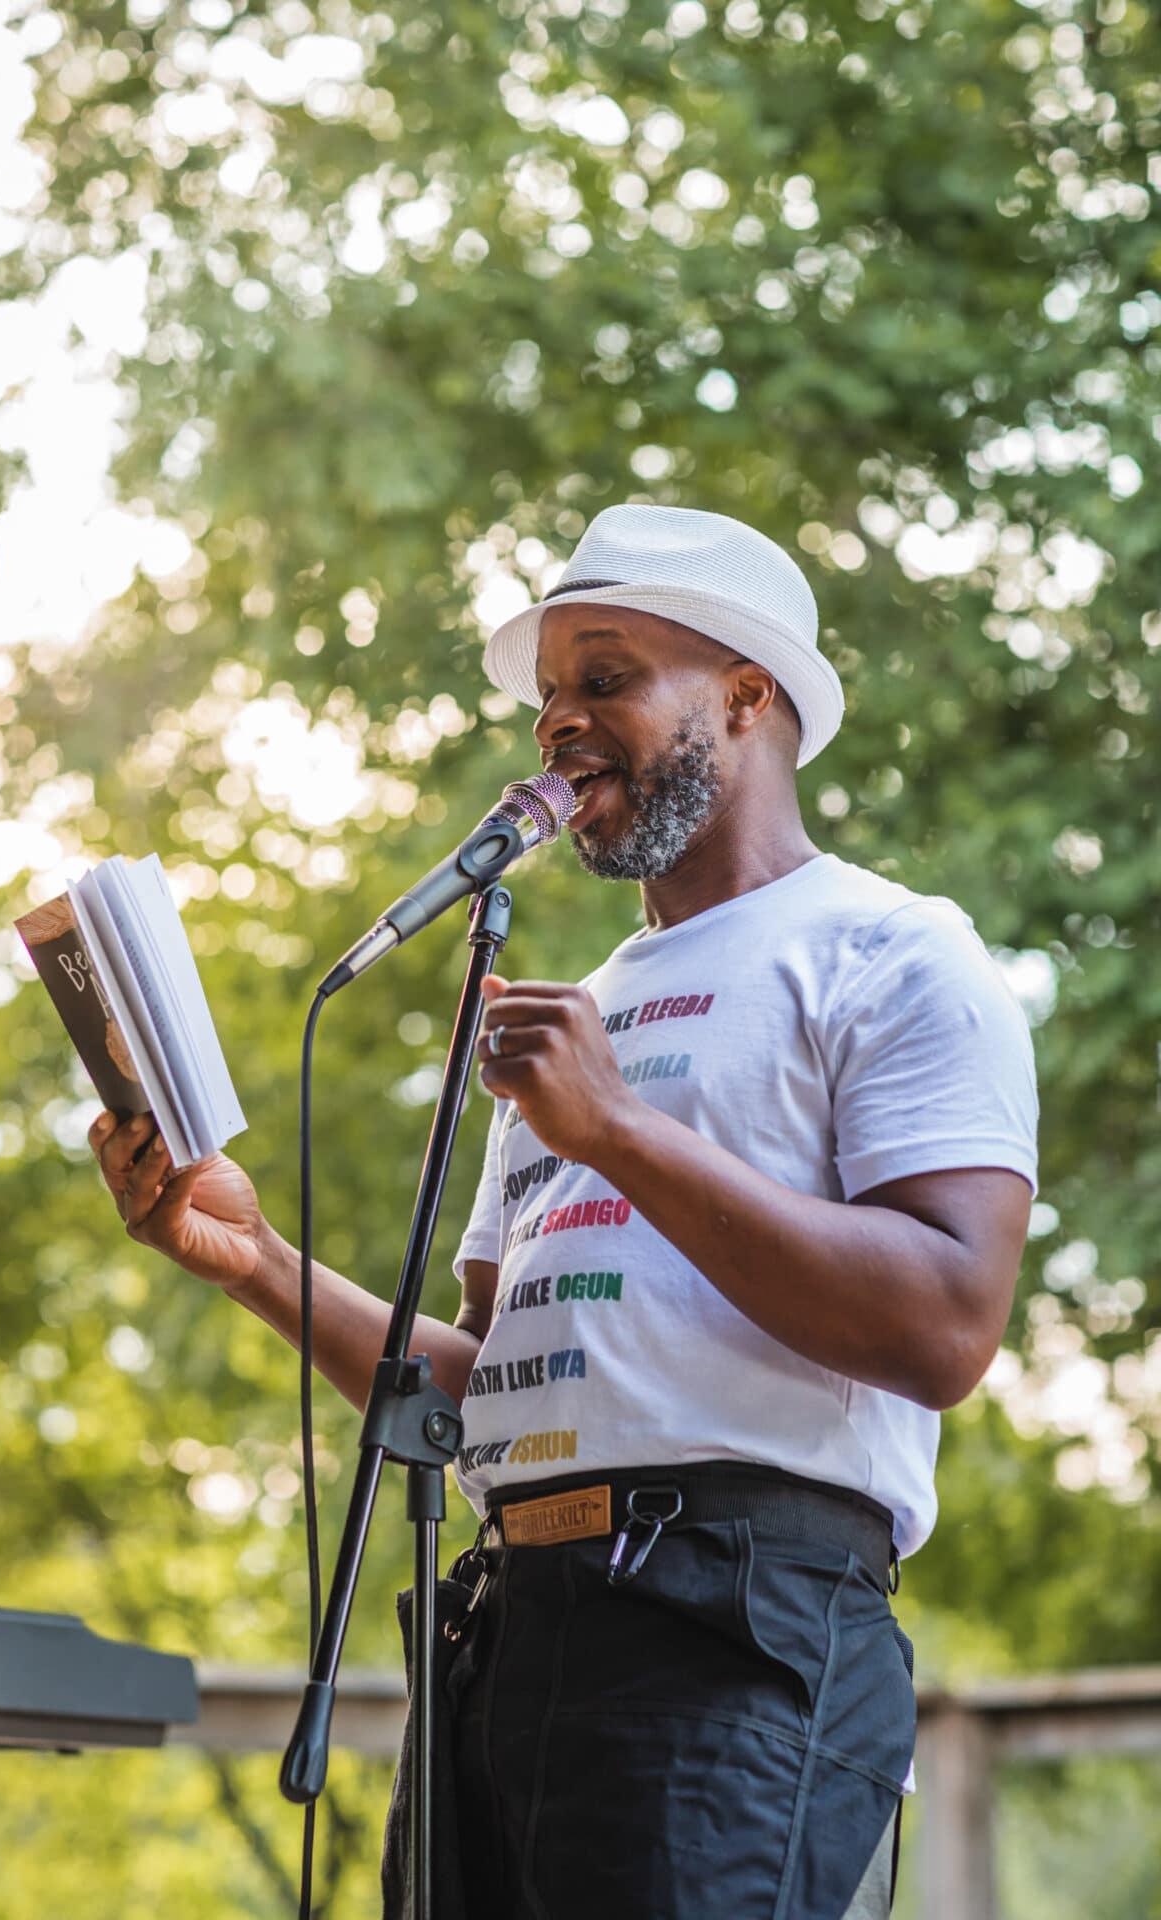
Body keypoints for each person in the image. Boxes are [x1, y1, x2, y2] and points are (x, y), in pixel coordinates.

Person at [89, 504, 1038, 1919]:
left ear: (748, 695)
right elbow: (495, 1389)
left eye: (605, 679)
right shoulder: (575, 1017)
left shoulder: (891, 951)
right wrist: (253, 1261)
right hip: (504, 1629)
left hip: (730, 1629)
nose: (558, 728)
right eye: (546, 702)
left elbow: (948, 1323)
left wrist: (617, 1129)